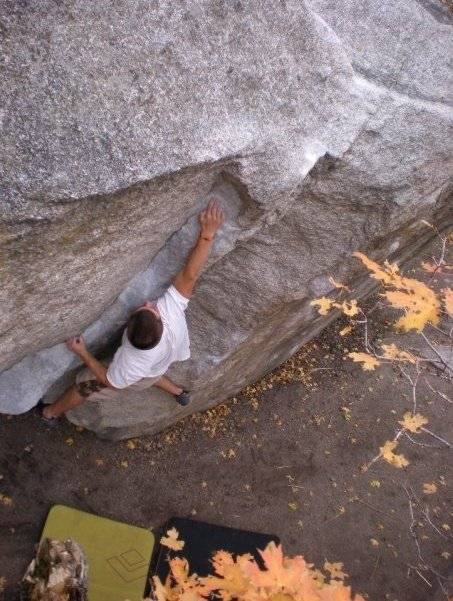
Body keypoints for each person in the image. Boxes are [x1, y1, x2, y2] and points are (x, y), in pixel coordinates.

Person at [38, 200, 224, 423]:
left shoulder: (130, 362)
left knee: (84, 386)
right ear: (159, 322)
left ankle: (50, 413)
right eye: (150, 308)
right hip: (158, 362)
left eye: (146, 307)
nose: (149, 303)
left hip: (137, 372)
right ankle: (179, 393)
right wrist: (207, 235)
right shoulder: (170, 311)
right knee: (150, 374)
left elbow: (111, 381)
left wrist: (82, 353)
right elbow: (190, 275)